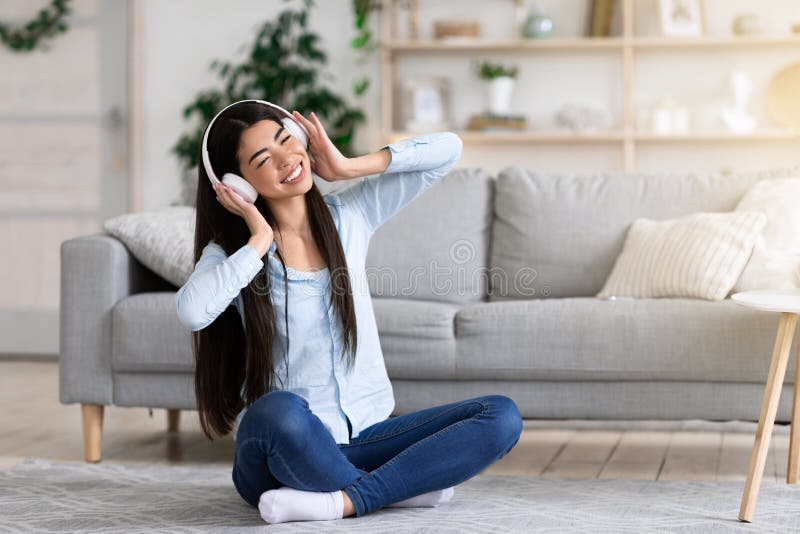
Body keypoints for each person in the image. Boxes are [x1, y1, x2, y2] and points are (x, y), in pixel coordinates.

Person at [175, 100, 523, 524]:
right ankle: (398, 488)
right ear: (239, 185)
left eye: (287, 140)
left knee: (501, 415)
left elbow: (448, 149)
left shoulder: (350, 216)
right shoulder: (235, 254)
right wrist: (259, 238)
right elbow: (193, 312)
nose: (287, 159)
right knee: (276, 410)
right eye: (264, 159)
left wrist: (348, 167)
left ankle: (342, 501)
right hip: (282, 448)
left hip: (367, 436)